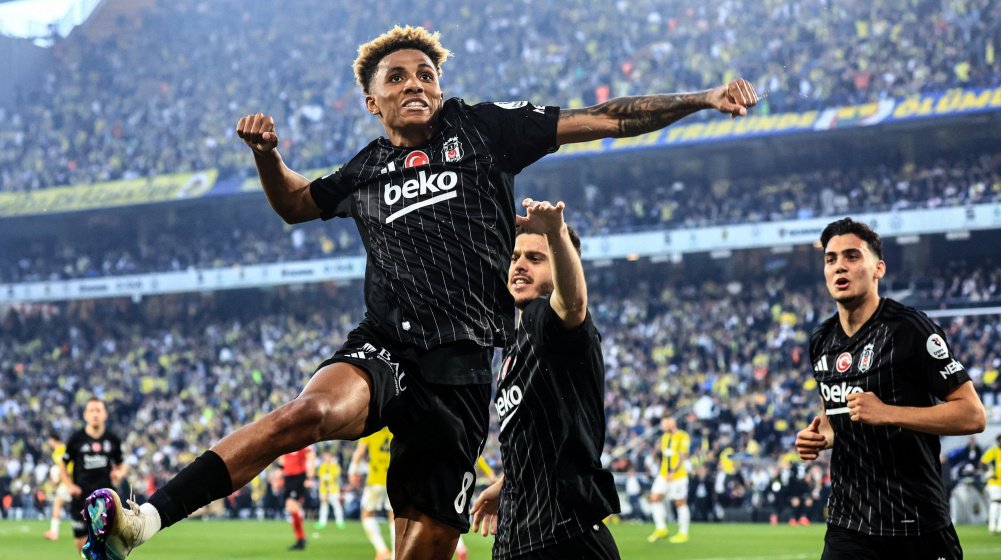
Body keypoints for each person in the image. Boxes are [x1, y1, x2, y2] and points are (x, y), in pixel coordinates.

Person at [82, 25, 758, 560]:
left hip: (461, 376)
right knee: (304, 414)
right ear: (372, 102)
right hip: (386, 346)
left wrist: (700, 98)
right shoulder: (365, 169)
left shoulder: (483, 130)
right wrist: (266, 156)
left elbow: (605, 117)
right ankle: (143, 521)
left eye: (426, 74)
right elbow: (293, 204)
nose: (416, 83)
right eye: (397, 77)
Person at [794, 217, 986, 560]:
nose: (840, 266)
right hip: (848, 524)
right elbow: (836, 416)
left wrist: (887, 413)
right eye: (831, 259)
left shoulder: (909, 329)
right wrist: (820, 436)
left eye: (852, 256)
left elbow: (972, 415)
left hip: (916, 522)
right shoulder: (821, 341)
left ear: (878, 268)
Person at [470, 199, 621, 558]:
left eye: (535, 258)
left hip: (563, 538)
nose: (520, 265)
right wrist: (507, 484)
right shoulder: (515, 345)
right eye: (515, 257)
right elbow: (541, 438)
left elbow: (573, 304)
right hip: (517, 539)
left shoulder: (550, 322)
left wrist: (556, 233)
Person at [63, 397, 127, 554]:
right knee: (81, 544)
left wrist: (119, 473)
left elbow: (121, 464)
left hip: (105, 498)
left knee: (106, 543)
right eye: (91, 410)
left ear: (105, 414)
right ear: (85, 415)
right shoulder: (76, 439)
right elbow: (62, 465)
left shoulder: (112, 440)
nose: (95, 414)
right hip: (81, 498)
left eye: (98, 410)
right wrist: (70, 486)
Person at [349, 427, 394, 560]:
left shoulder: (372, 429)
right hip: (395, 479)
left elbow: (359, 453)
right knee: (394, 517)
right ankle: (396, 554)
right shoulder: (396, 429)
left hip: (376, 480)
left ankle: (382, 550)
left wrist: (353, 471)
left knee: (367, 515)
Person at [646, 416, 692, 543]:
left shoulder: (683, 436)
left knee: (680, 502)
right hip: (663, 475)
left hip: (678, 475)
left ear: (672, 423)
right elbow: (665, 456)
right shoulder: (665, 437)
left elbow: (683, 456)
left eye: (665, 424)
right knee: (655, 497)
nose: (663, 426)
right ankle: (661, 528)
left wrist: (673, 471)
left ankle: (683, 533)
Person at [279, 446, 315, 551]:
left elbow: (312, 458)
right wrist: (280, 473)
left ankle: (300, 540)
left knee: (292, 507)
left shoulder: (302, 446)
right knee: (291, 509)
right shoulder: (286, 446)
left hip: (298, 478)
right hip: (288, 479)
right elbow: (282, 461)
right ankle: (301, 538)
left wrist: (309, 477)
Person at [43, 432, 71, 541]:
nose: (48, 443)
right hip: (69, 480)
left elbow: (65, 467)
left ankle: (54, 532)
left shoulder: (59, 451)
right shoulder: (61, 450)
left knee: (57, 503)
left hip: (68, 481)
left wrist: (57, 479)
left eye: (49, 440)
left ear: (53, 440)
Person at [314, 447, 346, 530]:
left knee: (336, 505)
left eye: (328, 456)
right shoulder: (322, 466)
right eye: (325, 456)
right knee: (324, 505)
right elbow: (320, 478)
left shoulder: (335, 466)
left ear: (331, 457)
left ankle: (340, 522)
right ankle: (322, 522)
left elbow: (335, 476)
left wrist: (327, 478)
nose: (326, 458)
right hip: (324, 489)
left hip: (333, 489)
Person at [982, 434, 1001, 533]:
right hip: (994, 482)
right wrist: (989, 474)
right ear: (998, 441)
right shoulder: (993, 451)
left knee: (999, 504)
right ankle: (992, 525)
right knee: (995, 502)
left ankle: (999, 526)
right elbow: (983, 462)